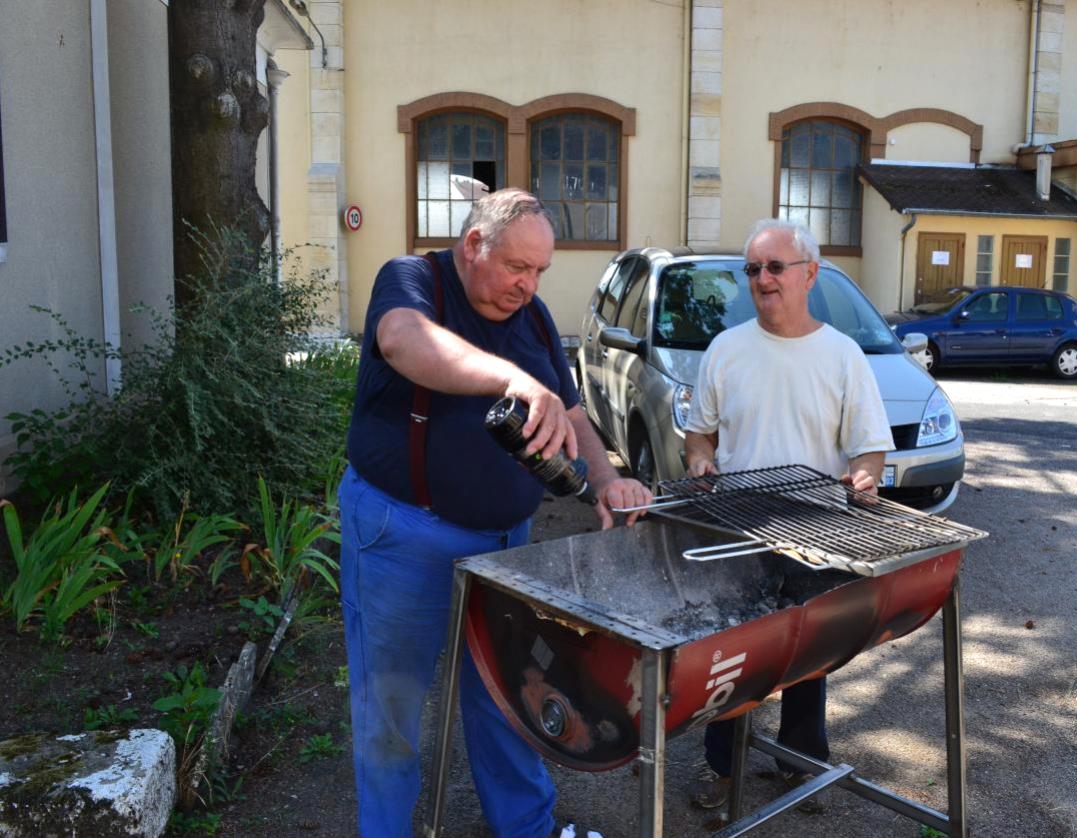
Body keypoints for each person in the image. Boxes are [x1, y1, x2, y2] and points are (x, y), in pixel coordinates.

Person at [338, 188, 652, 837]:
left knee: (509, 695)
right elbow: (403, 342)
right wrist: (509, 378)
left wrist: (608, 482)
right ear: (474, 245)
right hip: (405, 534)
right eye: (517, 267)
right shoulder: (412, 280)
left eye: (539, 271)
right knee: (391, 712)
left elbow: (569, 412)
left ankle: (528, 830)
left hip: (506, 542)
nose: (528, 284)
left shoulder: (533, 317)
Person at [682, 218, 894, 811]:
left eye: (774, 267)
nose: (762, 279)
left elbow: (868, 445)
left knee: (808, 653)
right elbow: (699, 437)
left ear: (809, 274)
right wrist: (700, 463)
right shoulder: (726, 349)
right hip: (737, 525)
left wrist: (866, 475)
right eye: (753, 269)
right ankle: (722, 768)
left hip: (816, 527)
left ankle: (799, 764)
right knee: (732, 651)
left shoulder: (843, 355)